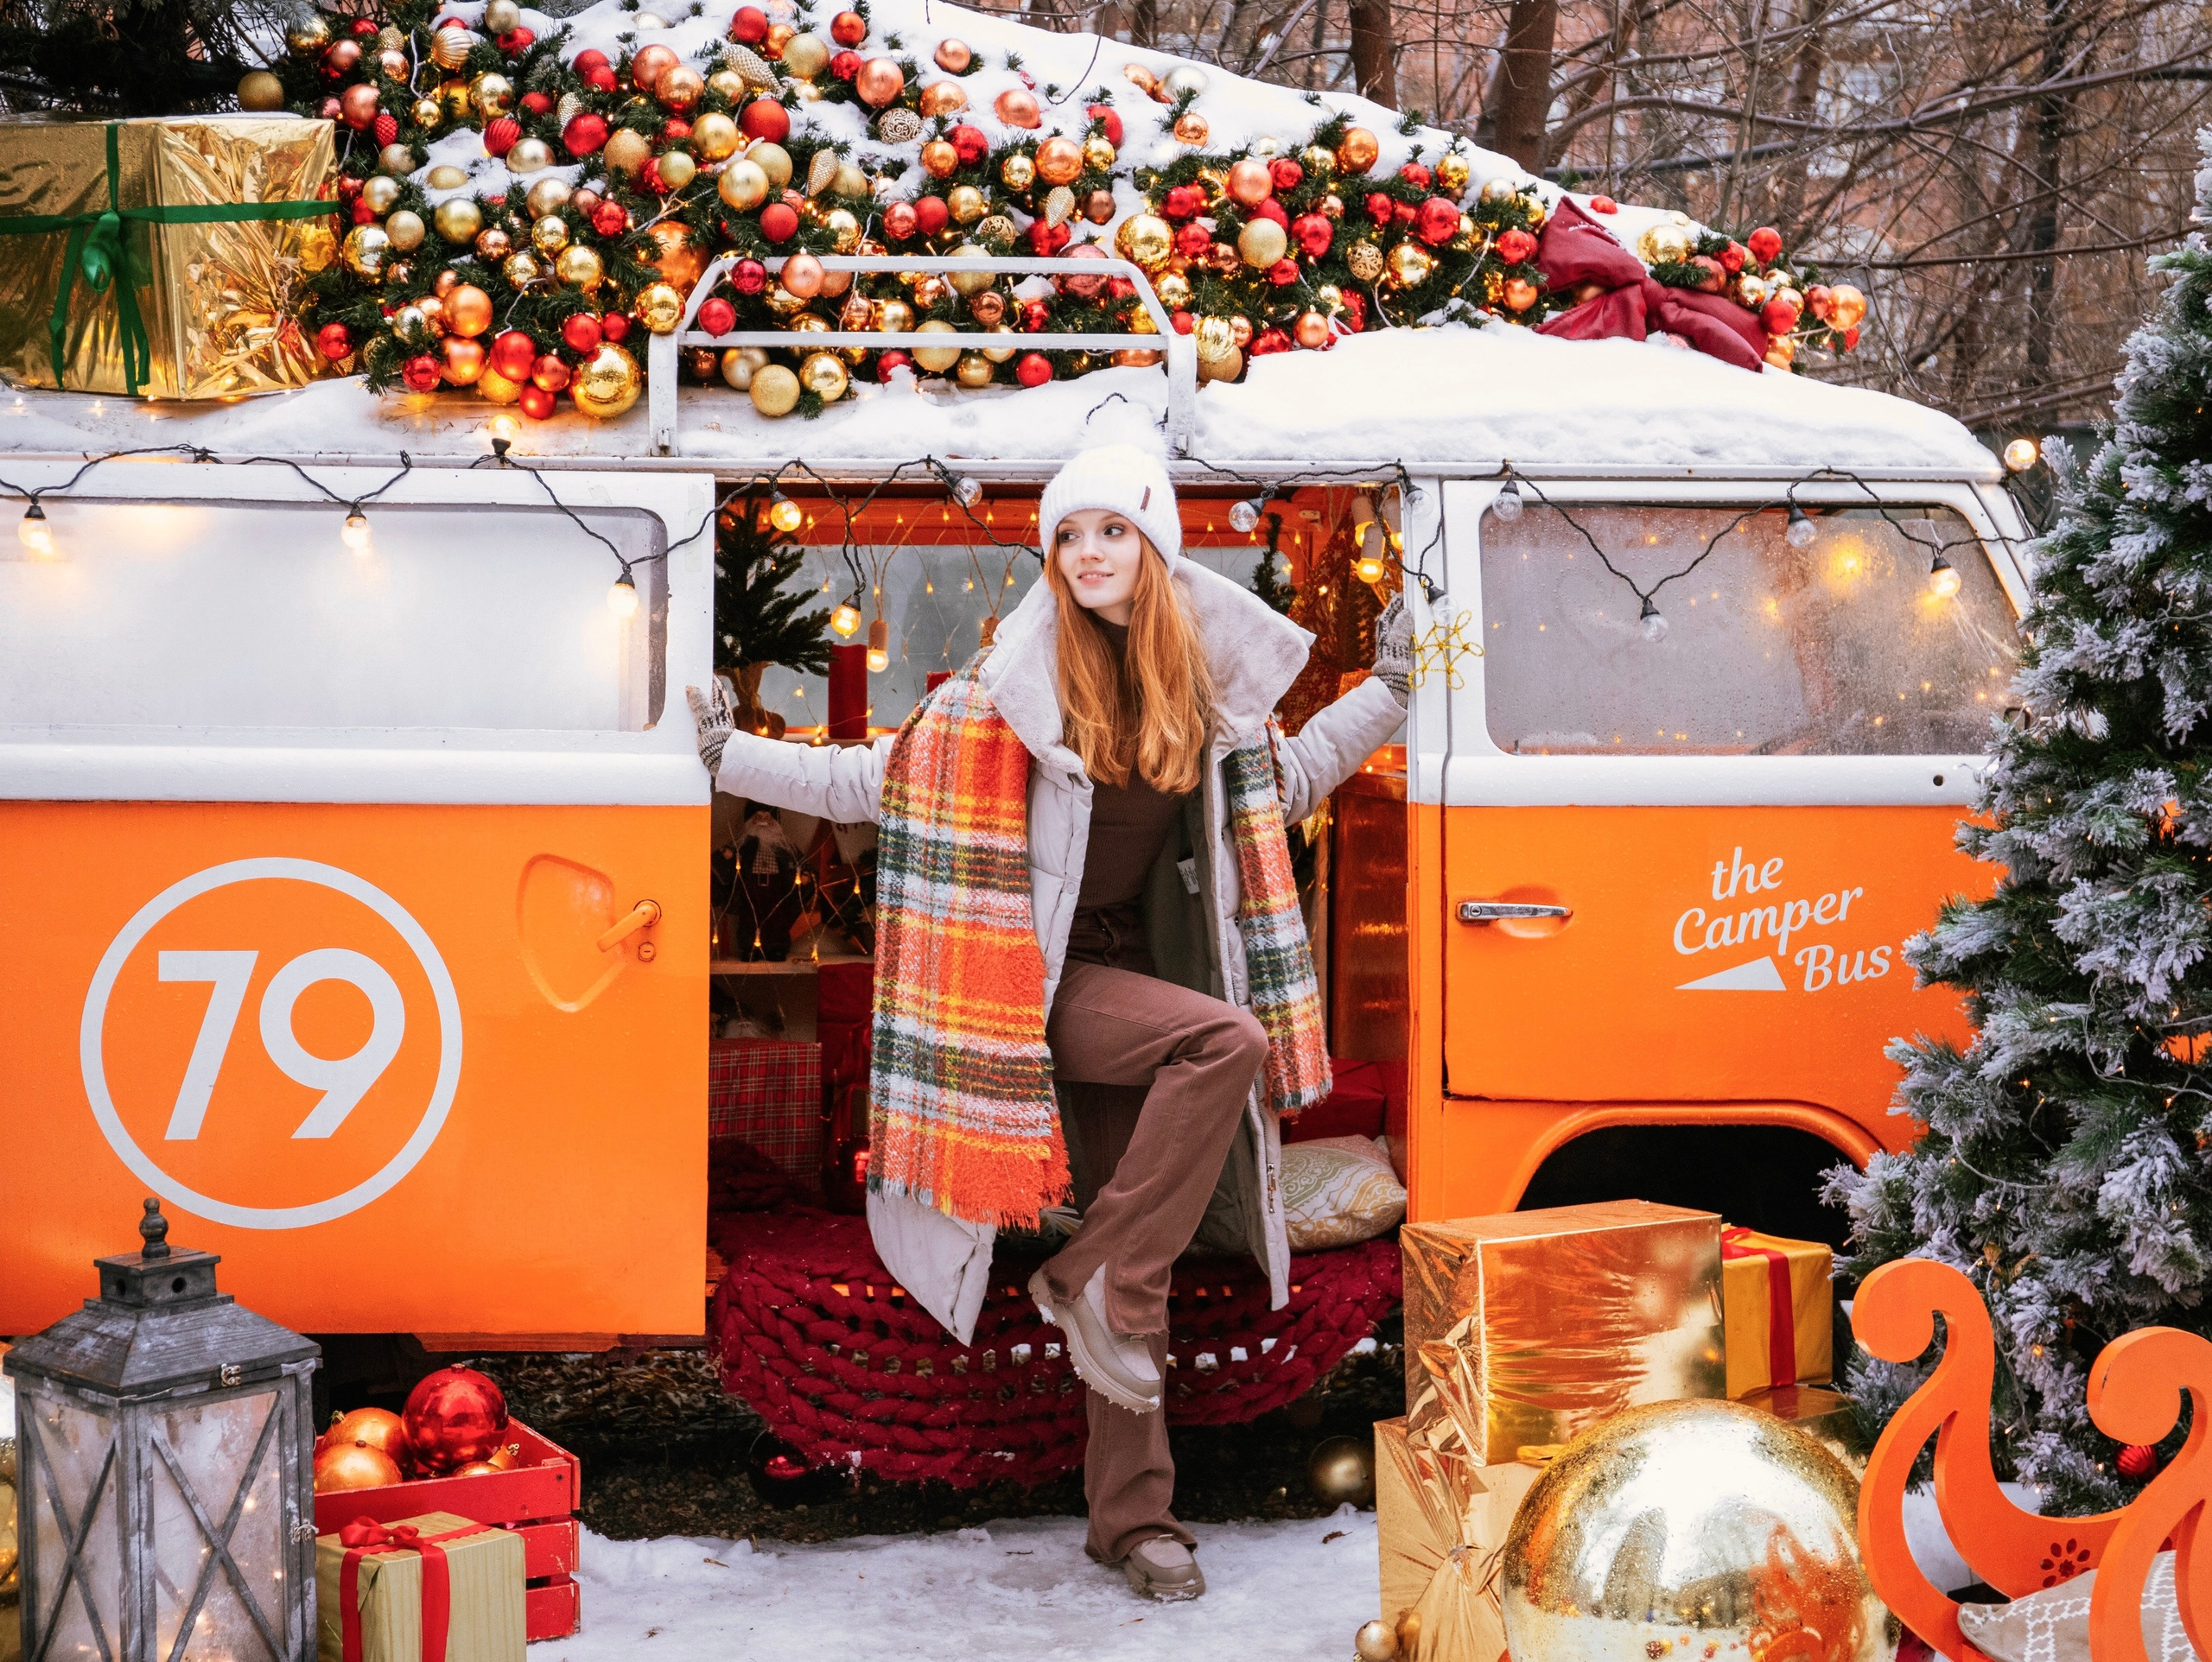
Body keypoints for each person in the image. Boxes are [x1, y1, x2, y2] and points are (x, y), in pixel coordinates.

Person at [689, 439, 1414, 1601]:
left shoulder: (1203, 695)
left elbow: (1293, 782)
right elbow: (874, 783)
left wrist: (1395, 693)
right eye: (1068, 535)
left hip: (1143, 988)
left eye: (1111, 531)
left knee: (1141, 1276)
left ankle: (1134, 1518)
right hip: (1024, 995)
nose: (1086, 553)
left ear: (1154, 546)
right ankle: (1098, 1286)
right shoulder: (1006, 695)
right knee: (1221, 1043)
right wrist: (729, 758)